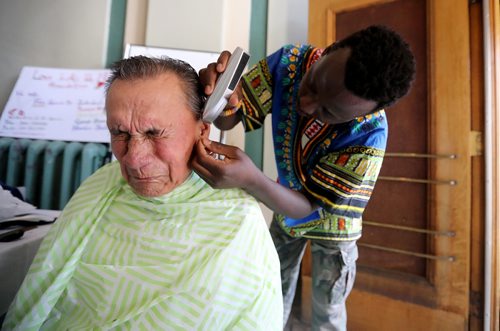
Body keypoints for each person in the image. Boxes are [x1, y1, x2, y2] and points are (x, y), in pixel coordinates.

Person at [2, 56, 283, 330]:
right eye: (119, 133)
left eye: (154, 133)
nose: (133, 159)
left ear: (202, 130)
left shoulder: (237, 221)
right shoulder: (102, 185)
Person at [192, 25, 416, 330]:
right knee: (269, 288)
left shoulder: (368, 137)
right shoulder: (289, 63)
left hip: (334, 228)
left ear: (364, 113)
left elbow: (308, 206)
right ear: (331, 49)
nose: (306, 104)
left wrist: (252, 180)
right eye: (312, 84)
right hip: (284, 205)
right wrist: (221, 96)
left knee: (327, 311)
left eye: (329, 112)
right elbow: (232, 118)